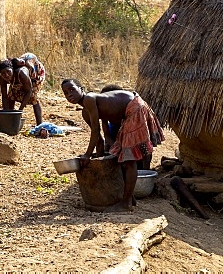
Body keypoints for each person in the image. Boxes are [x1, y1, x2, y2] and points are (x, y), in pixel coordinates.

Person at [61, 79, 165, 212]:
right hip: (128, 115)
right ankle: (129, 198)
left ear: (81, 88)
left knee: (129, 161)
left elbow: (95, 131)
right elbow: (99, 139)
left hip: (134, 108)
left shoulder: (89, 98)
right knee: (121, 157)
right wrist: (97, 161)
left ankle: (126, 203)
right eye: (66, 93)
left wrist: (87, 154)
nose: (69, 94)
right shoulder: (85, 112)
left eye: (72, 89)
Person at [0, 53, 45, 126]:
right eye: (3, 73)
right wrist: (6, 113)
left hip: (35, 73)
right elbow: (4, 97)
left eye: (8, 72)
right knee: (11, 95)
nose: (6, 75)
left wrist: (20, 110)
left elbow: (28, 92)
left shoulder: (21, 73)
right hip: (20, 78)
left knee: (33, 97)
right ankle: (11, 120)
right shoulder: (2, 79)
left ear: (12, 70)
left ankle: (40, 125)